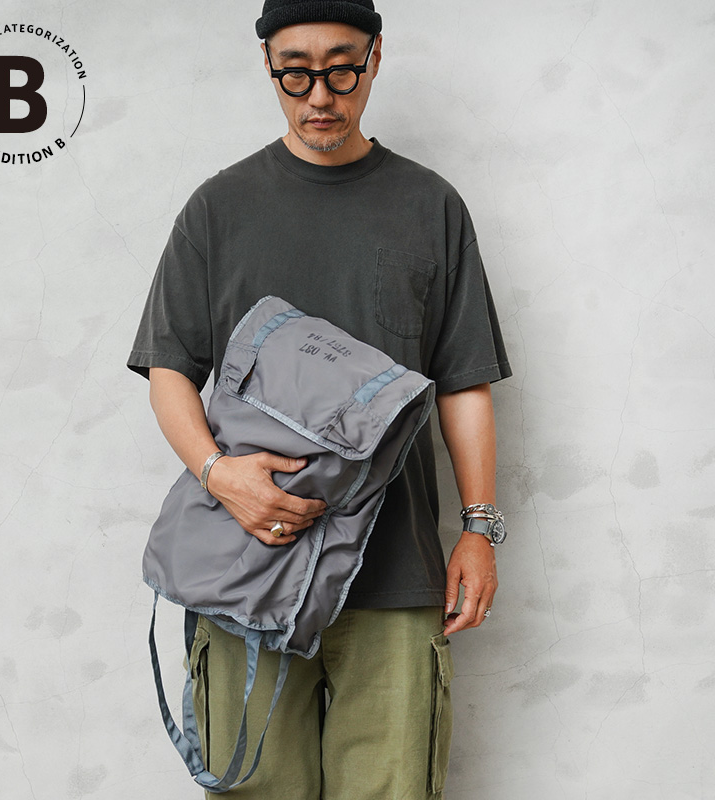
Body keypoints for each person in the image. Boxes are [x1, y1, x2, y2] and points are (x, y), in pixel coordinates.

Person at [127, 1, 512, 797]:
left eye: (341, 69)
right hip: (245, 569)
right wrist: (218, 474)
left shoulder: (431, 207)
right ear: (268, 65)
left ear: (376, 58)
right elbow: (170, 370)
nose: (321, 97)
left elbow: (463, 382)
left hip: (396, 575)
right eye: (295, 74)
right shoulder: (218, 210)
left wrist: (479, 529)